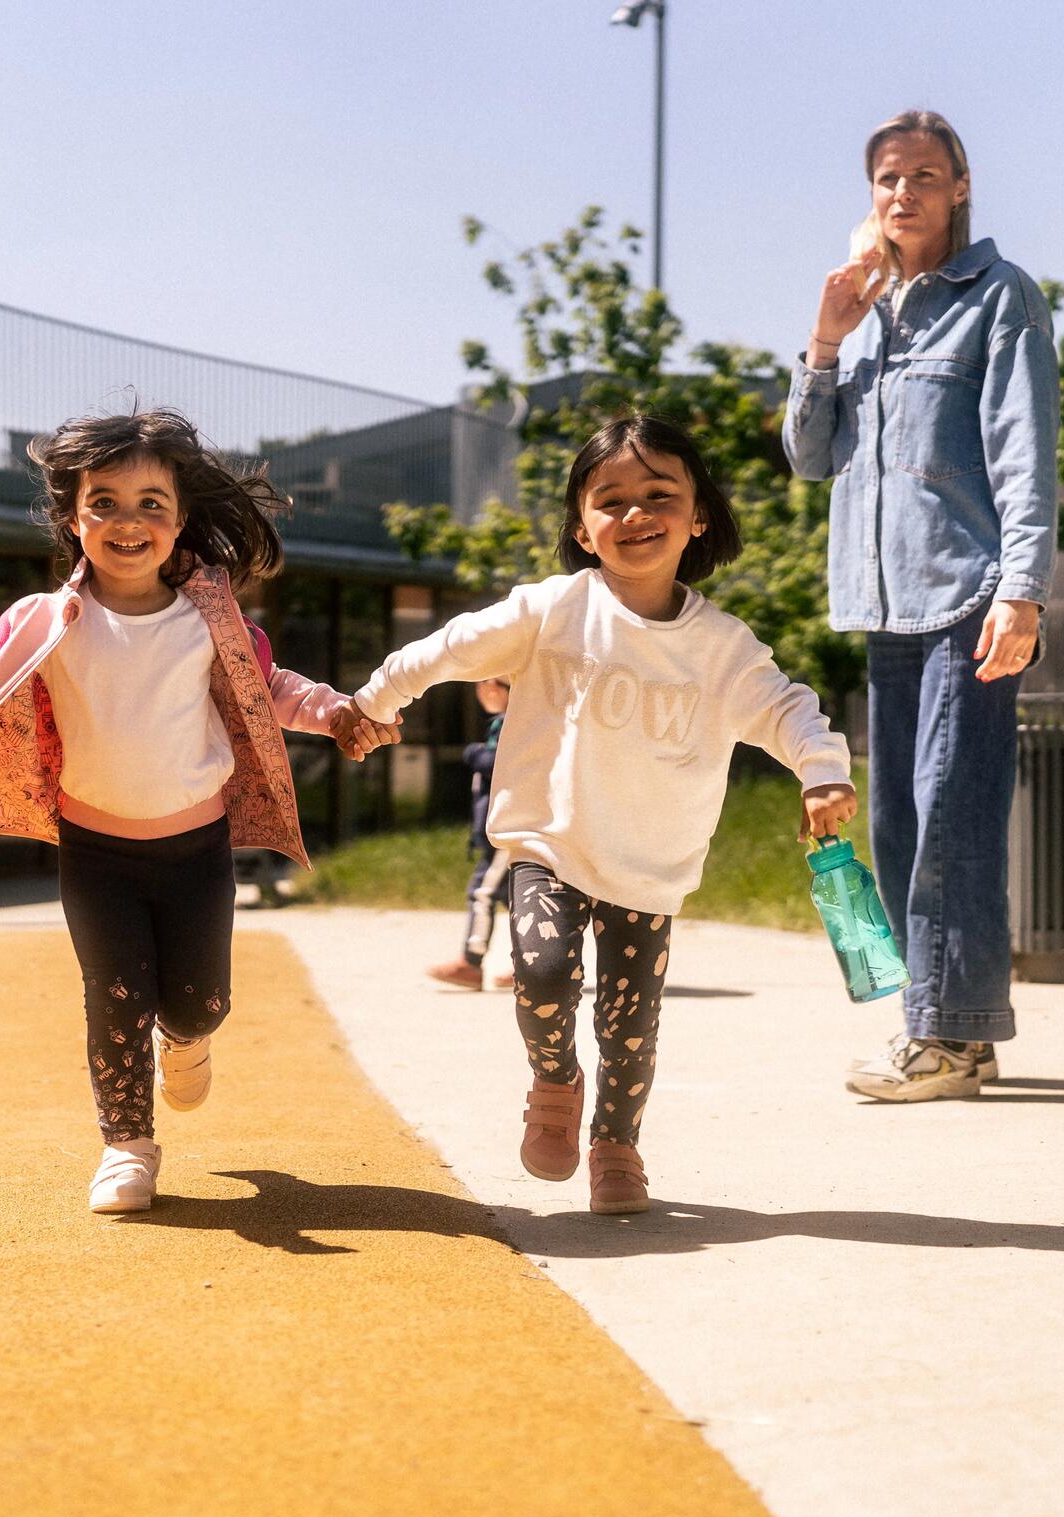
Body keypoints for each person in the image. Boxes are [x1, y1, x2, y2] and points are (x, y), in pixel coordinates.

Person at [334, 416, 854, 1215]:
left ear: (699, 515)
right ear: (582, 525)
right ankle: (554, 1083)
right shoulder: (551, 610)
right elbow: (446, 648)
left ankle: (617, 1146)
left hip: (650, 862)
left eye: (659, 495)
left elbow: (788, 709)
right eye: (610, 500)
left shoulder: (722, 645)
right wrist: (372, 703)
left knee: (630, 1023)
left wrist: (821, 773)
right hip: (551, 840)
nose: (635, 514)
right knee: (540, 973)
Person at [0, 409, 398, 1214]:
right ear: (74, 519)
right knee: (114, 996)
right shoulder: (43, 620)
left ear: (179, 523)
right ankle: (126, 1146)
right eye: (103, 502)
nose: (126, 522)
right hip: (93, 847)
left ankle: (190, 1039)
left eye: (151, 505)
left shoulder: (211, 618)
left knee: (200, 999)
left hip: (196, 846)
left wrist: (339, 713)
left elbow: (270, 690)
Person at [783, 108, 1059, 1102]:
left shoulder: (999, 299)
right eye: (889, 178)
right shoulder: (867, 322)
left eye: (926, 175)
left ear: (960, 187)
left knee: (954, 817)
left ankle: (943, 1039)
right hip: (882, 608)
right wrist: (824, 339)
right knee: (902, 823)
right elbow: (810, 461)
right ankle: (952, 1029)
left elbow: (1025, 455)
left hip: (968, 595)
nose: (905, 192)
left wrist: (1022, 591)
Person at [426, 677, 516, 991]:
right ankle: (533, 966)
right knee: (514, 898)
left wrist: (474, 754)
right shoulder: (506, 722)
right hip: (499, 827)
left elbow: (502, 763)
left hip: (506, 829)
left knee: (483, 892)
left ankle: (471, 963)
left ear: (496, 688)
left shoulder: (512, 722)